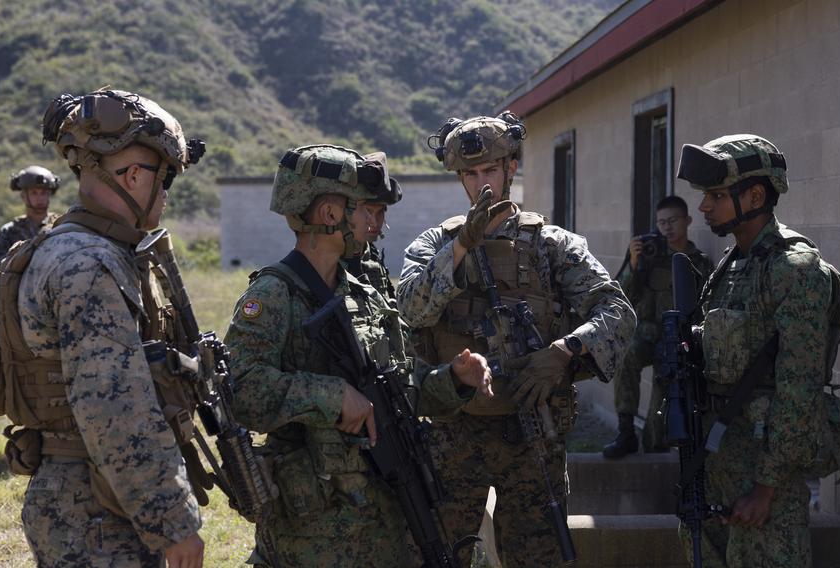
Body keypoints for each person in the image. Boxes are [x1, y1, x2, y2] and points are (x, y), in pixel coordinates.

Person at [224, 144, 493, 567]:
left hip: (381, 523)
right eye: (364, 210)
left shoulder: (364, 294)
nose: (375, 223)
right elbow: (240, 391)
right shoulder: (273, 296)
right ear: (330, 214)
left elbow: (400, 391)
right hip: (313, 535)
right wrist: (333, 397)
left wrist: (454, 378)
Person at [397, 112, 636, 566]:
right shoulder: (434, 243)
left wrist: (566, 351)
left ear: (511, 168)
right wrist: (461, 248)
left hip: (532, 434)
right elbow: (408, 308)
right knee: (436, 555)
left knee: (538, 557)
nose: (481, 182)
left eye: (491, 169)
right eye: (470, 173)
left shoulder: (551, 244)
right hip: (452, 432)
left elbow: (618, 313)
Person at [17, 89, 207, 566]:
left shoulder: (82, 248)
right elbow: (115, 410)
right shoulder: (89, 263)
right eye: (166, 182)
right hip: (94, 510)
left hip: (94, 496)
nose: (164, 196)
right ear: (135, 176)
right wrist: (172, 522)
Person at [677, 134, 832, 567]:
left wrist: (766, 487)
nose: (704, 207)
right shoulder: (729, 267)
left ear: (756, 195)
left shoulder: (794, 270)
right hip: (715, 465)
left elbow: (799, 391)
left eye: (716, 195)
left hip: (764, 480)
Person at [603, 195, 713, 458]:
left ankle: (654, 442)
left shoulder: (699, 262)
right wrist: (633, 263)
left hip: (677, 337)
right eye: (661, 222)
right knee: (626, 355)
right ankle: (625, 431)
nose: (667, 228)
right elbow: (621, 295)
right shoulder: (650, 254)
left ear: (687, 220)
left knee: (665, 381)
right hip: (647, 331)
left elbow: (707, 306)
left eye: (672, 220)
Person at [0, 165, 61, 272]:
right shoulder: (10, 231)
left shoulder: (60, 226)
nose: (40, 198)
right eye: (34, 193)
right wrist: (17, 260)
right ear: (23, 196)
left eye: (44, 193)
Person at [346, 170, 401, 304]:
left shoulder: (372, 255)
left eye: (379, 213)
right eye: (368, 212)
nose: (374, 222)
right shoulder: (331, 260)